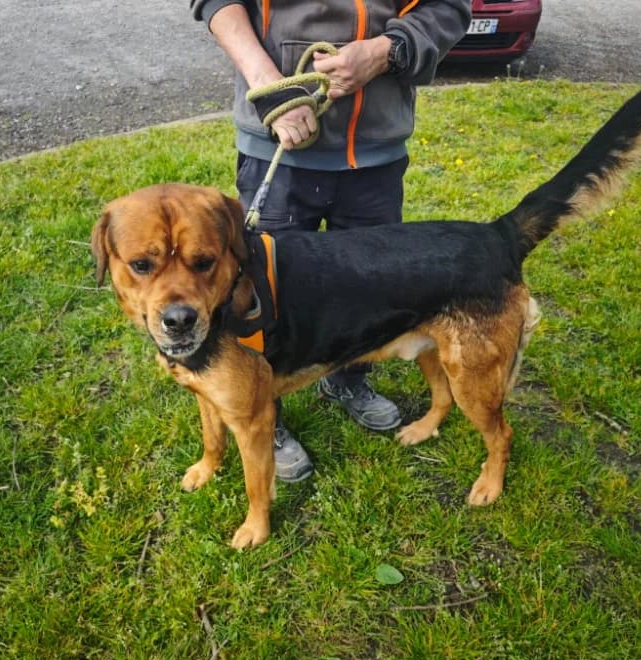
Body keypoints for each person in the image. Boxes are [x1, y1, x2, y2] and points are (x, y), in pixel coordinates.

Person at [190, 0, 472, 482]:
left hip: (376, 153)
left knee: (368, 292)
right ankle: (264, 412)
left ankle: (347, 378)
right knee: (261, 301)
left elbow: (449, 7)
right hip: (276, 137)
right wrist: (266, 84)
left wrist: (389, 51)